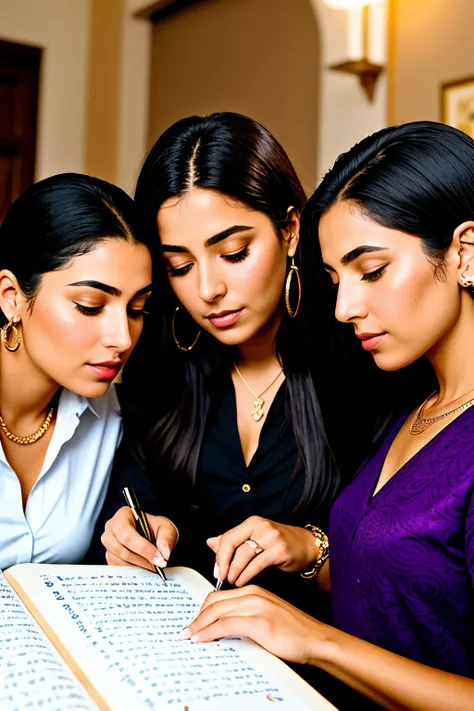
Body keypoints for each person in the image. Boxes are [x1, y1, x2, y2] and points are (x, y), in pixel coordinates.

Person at [184, 121, 474, 711]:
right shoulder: (417, 410)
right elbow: (405, 589)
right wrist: (306, 551)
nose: (344, 306)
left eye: (371, 270)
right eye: (334, 278)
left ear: (464, 252)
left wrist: (317, 642)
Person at [95, 112, 371, 615]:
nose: (206, 291)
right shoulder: (158, 363)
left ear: (290, 230)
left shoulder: (364, 354)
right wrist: (141, 531)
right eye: (179, 265)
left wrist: (310, 547)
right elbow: (136, 500)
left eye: (234, 253)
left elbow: (405, 577)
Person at [0, 173, 152, 571]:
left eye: (137, 309)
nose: (122, 338)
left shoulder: (111, 418)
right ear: (11, 297)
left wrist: (130, 538)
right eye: (89, 305)